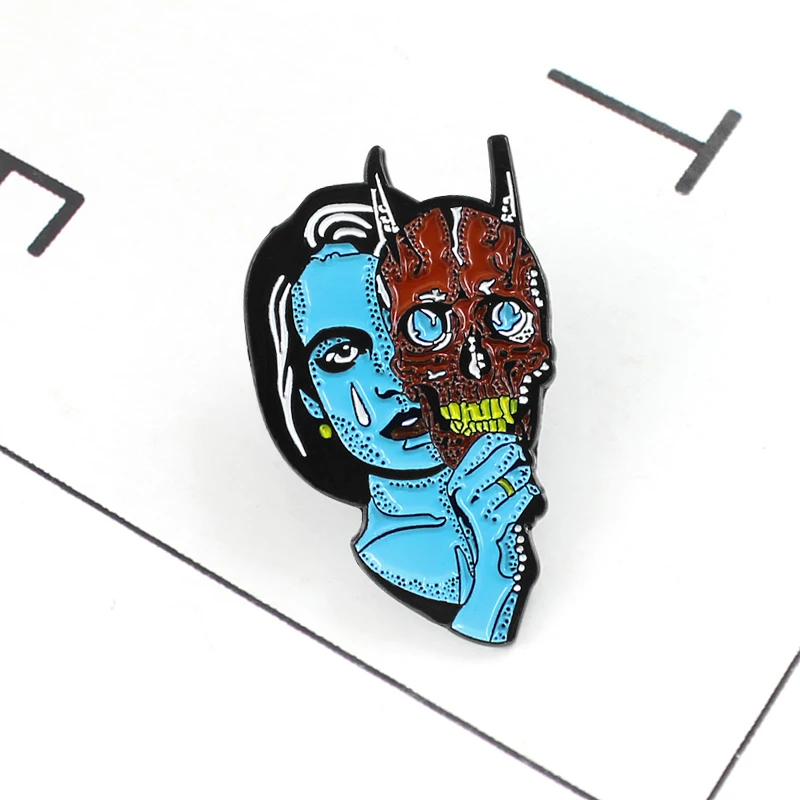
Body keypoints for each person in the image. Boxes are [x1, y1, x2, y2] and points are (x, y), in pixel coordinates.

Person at [245, 149, 549, 644]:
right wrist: (491, 584)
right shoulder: (399, 562)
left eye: (415, 329)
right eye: (343, 353)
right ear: (308, 396)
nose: (394, 375)